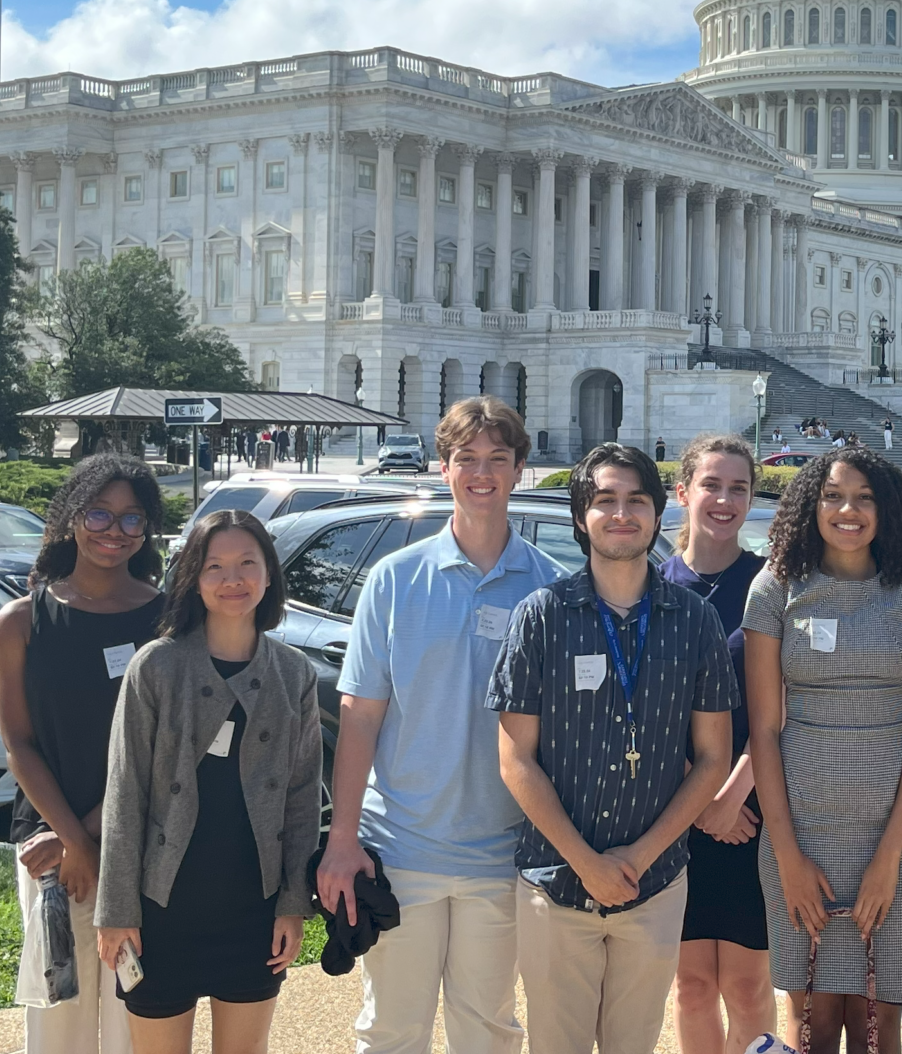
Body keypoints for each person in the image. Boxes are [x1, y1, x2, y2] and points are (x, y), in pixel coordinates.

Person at [318, 397, 565, 1054]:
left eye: (497, 459)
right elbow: (359, 717)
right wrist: (341, 839)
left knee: (488, 1031)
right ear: (443, 467)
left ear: (519, 469)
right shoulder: (394, 580)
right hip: (400, 849)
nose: (481, 473)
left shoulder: (551, 590)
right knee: (391, 1031)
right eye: (466, 459)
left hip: (503, 855)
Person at [487, 444, 737, 1054]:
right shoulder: (541, 616)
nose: (621, 514)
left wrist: (639, 856)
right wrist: (587, 863)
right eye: (605, 501)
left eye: (636, 501)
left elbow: (713, 758)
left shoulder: (695, 620)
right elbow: (515, 759)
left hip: (655, 884)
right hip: (555, 880)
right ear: (581, 516)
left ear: (657, 514)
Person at [745, 446, 902, 1054]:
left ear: (887, 510)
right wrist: (787, 856)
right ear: (811, 505)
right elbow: (764, 730)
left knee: (875, 1026)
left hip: (896, 832)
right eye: (833, 496)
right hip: (800, 830)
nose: (848, 510)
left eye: (864, 498)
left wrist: (889, 857)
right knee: (809, 1020)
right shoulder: (775, 587)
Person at [95, 511, 320, 1052]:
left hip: (254, 909)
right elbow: (124, 794)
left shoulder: (294, 673)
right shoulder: (156, 667)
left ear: (269, 573)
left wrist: (293, 902)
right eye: (214, 566)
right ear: (193, 577)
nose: (232, 579)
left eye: (247, 563)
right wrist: (117, 911)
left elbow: (302, 798)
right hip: (160, 909)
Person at [0, 455, 166, 1054]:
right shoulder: (21, 621)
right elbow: (18, 743)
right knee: (57, 1021)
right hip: (47, 845)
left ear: (147, 530)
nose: (114, 530)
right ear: (72, 516)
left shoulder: (168, 620)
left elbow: (164, 750)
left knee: (133, 1019)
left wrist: (87, 837)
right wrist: (69, 840)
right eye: (99, 513)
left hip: (143, 841)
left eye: (132, 518)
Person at [665, 436, 773, 1054]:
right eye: (712, 485)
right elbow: (639, 710)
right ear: (684, 492)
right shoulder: (652, 586)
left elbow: (783, 702)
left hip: (751, 807)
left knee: (749, 986)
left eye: (738, 488)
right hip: (673, 808)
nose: (724, 500)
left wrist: (730, 798)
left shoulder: (770, 585)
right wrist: (700, 797)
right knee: (691, 987)